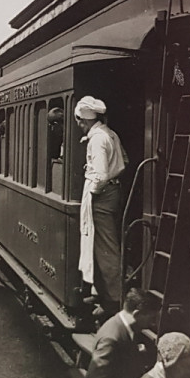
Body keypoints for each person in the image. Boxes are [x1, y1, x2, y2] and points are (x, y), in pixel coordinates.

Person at [75, 95, 127, 316]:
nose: (78, 125)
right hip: (113, 192)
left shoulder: (97, 139)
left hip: (102, 196)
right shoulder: (110, 133)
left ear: (84, 120)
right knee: (102, 245)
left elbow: (102, 174)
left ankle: (113, 300)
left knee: (105, 248)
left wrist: (94, 192)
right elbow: (124, 159)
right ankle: (102, 293)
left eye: (78, 120)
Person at [79, 288, 160, 378]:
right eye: (151, 318)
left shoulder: (121, 326)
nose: (153, 323)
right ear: (137, 314)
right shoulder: (111, 339)